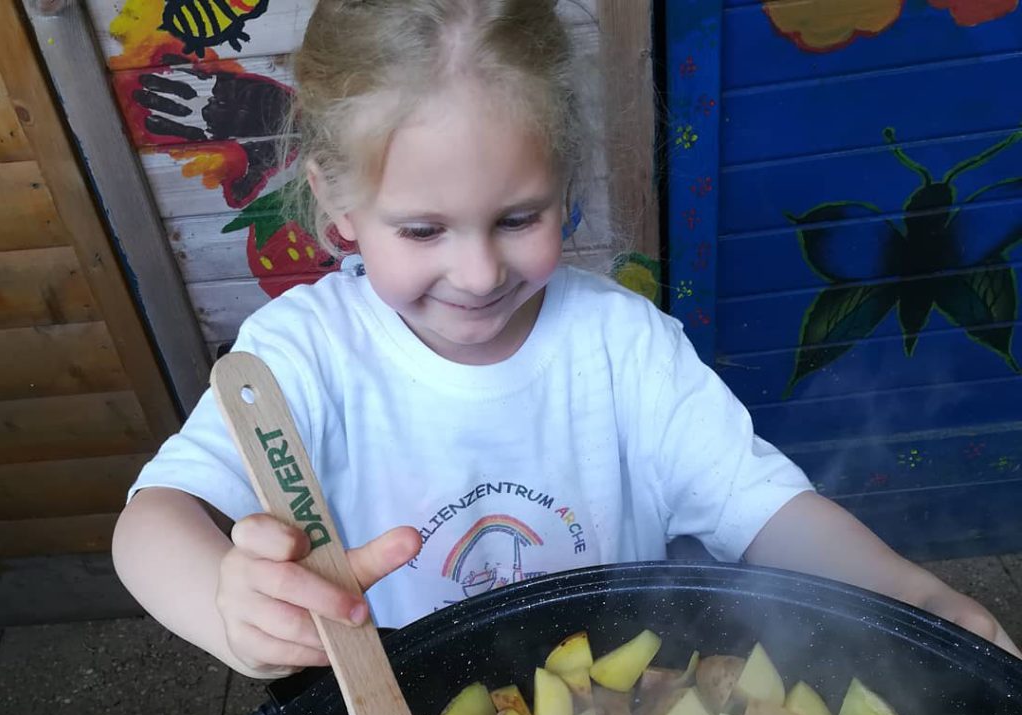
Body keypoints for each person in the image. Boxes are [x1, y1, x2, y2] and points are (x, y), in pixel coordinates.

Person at [112, 0, 1020, 678]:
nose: (478, 274)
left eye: (518, 218)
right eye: (423, 230)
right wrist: (230, 610)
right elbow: (152, 524)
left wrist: (915, 598)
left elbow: (765, 513)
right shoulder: (302, 354)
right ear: (339, 206)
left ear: (565, 182)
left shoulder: (624, 345)